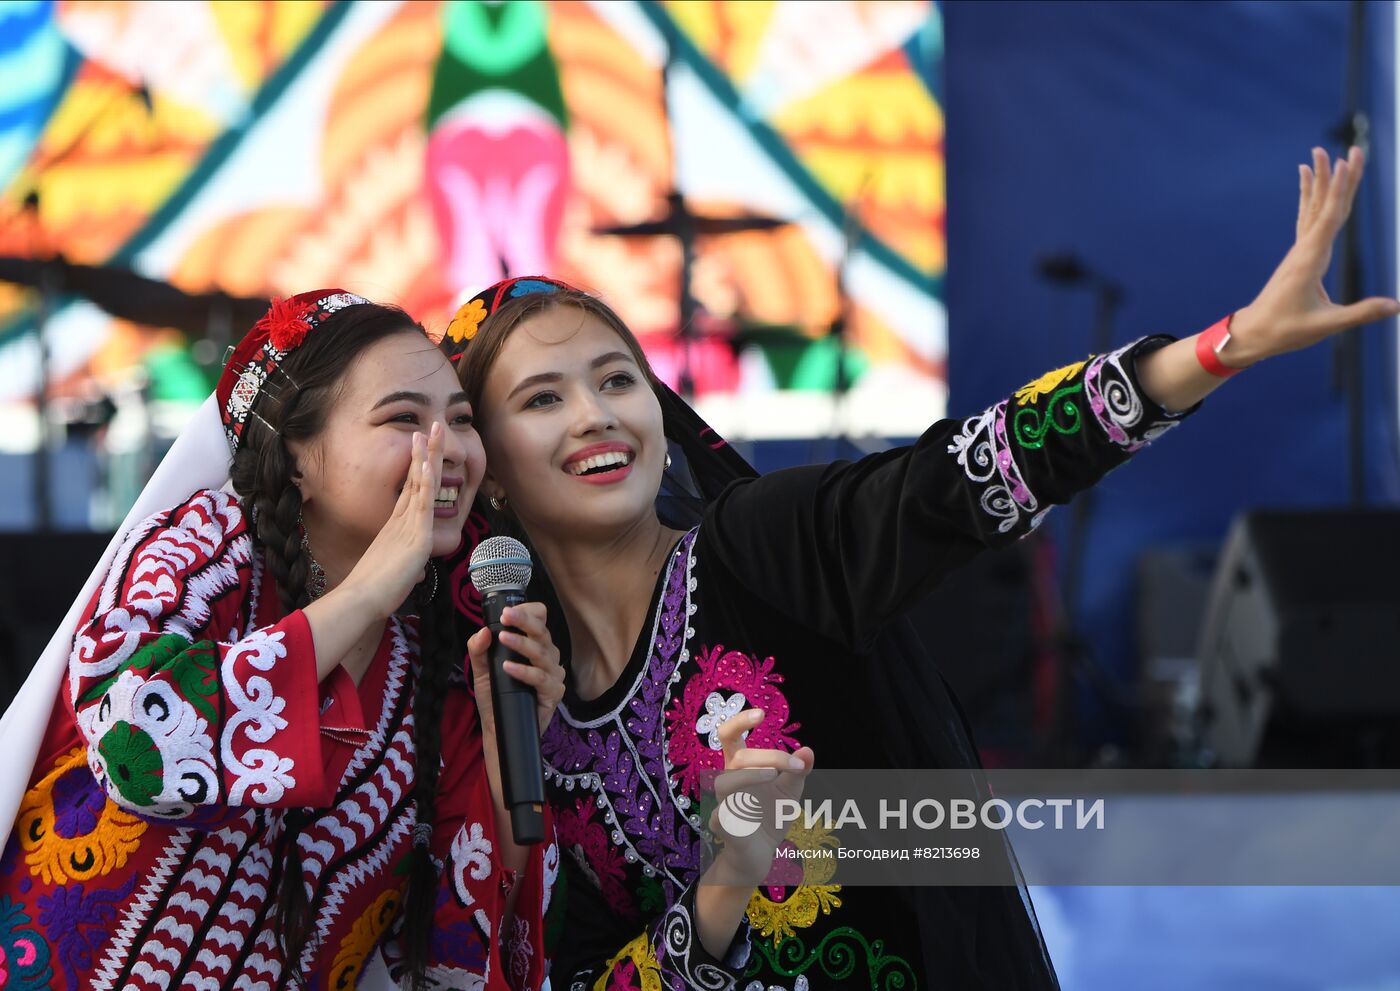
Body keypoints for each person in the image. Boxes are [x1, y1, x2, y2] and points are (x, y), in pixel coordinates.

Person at [436, 146, 1397, 991]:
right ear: (493, 469)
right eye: (544, 398)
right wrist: (724, 886)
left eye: (616, 379)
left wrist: (1219, 349)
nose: (598, 414)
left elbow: (969, 472)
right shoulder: (528, 714)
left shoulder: (758, 547)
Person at [0, 290, 565, 990]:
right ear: (296, 456)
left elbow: (446, 952)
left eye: (461, 420)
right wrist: (365, 593)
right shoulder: (201, 552)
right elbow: (138, 746)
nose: (446, 448)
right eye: (403, 419)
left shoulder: (431, 662)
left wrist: (512, 759)